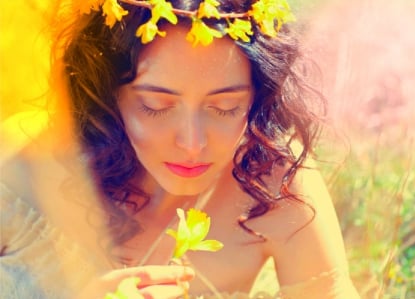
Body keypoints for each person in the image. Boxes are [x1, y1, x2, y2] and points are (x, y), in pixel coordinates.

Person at [0, 0, 360, 298]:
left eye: (225, 107)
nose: (193, 144)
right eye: (156, 106)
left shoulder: (271, 178)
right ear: (107, 94)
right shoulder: (18, 165)